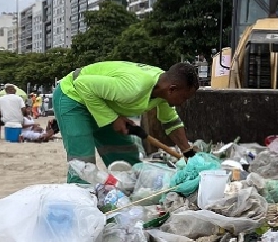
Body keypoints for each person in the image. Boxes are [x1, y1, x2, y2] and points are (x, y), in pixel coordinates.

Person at [53, 61, 200, 183]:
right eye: (184, 98)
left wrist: (189, 154)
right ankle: (78, 206)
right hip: (73, 95)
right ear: (172, 89)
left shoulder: (163, 89)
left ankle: (128, 196)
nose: (182, 103)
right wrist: (113, 118)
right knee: (83, 164)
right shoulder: (134, 87)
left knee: (128, 159)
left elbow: (171, 123)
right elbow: (82, 84)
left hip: (99, 100)